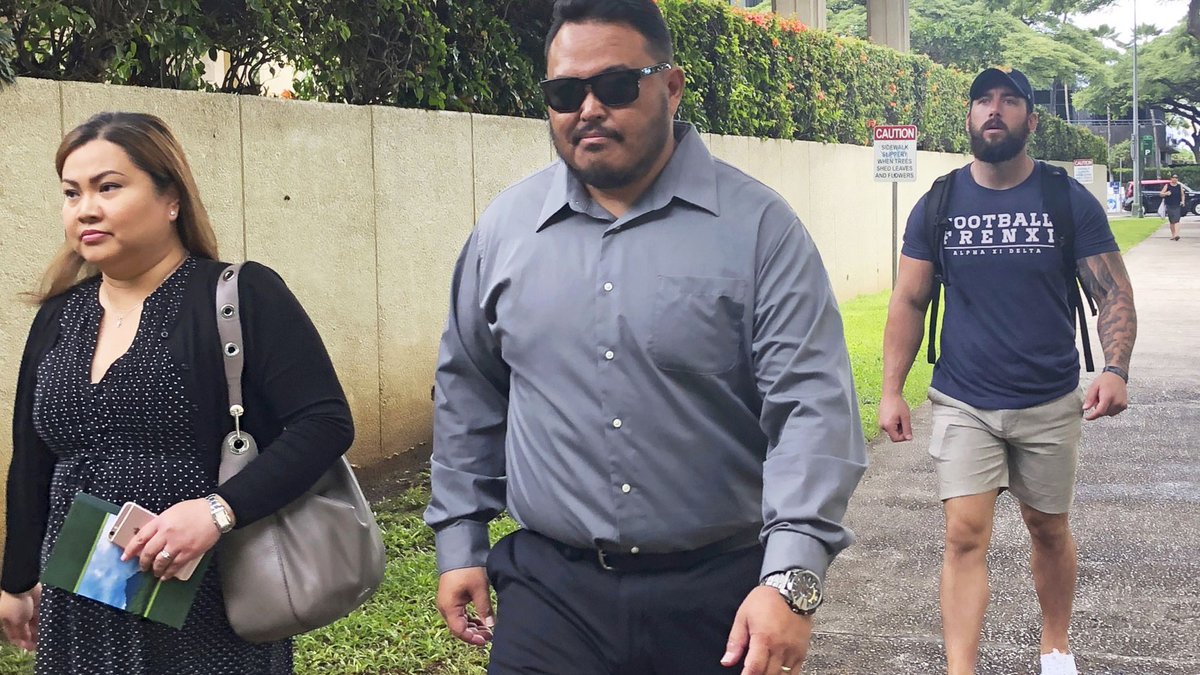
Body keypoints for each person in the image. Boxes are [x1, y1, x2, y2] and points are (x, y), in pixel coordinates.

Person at [424, 1, 867, 674]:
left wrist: (790, 579)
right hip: (551, 595)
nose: (589, 109)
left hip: (718, 598)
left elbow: (813, 411)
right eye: (565, 92)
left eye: (616, 85)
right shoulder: (504, 231)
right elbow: (469, 389)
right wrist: (461, 537)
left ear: (672, 86)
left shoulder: (759, 230)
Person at [0, 112, 354, 674]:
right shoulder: (59, 317)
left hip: (209, 590)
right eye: (71, 193)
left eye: (108, 187)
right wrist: (17, 580)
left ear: (171, 199)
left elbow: (324, 423)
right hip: (81, 597)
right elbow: (33, 460)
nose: (85, 209)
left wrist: (217, 512)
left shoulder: (239, 294)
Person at [878, 67, 1137, 675]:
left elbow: (1113, 293)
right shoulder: (939, 202)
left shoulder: (1065, 199)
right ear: (969, 116)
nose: (994, 110)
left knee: (1047, 528)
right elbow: (909, 299)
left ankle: (1055, 648)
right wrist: (891, 390)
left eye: (1010, 101)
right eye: (983, 101)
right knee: (964, 533)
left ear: (1031, 120)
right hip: (964, 399)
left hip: (1049, 399)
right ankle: (960, 669)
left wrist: (1116, 368)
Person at [1159, 174, 1185, 240]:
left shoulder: (1179, 186)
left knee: (1177, 220)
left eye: (1176, 178)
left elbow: (1182, 195)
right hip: (1169, 205)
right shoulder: (1167, 186)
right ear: (1171, 178)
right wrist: (1166, 193)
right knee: (1172, 221)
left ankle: (1176, 234)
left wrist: (1183, 201)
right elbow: (1161, 194)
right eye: (1173, 178)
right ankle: (1173, 234)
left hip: (1177, 205)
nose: (1175, 179)